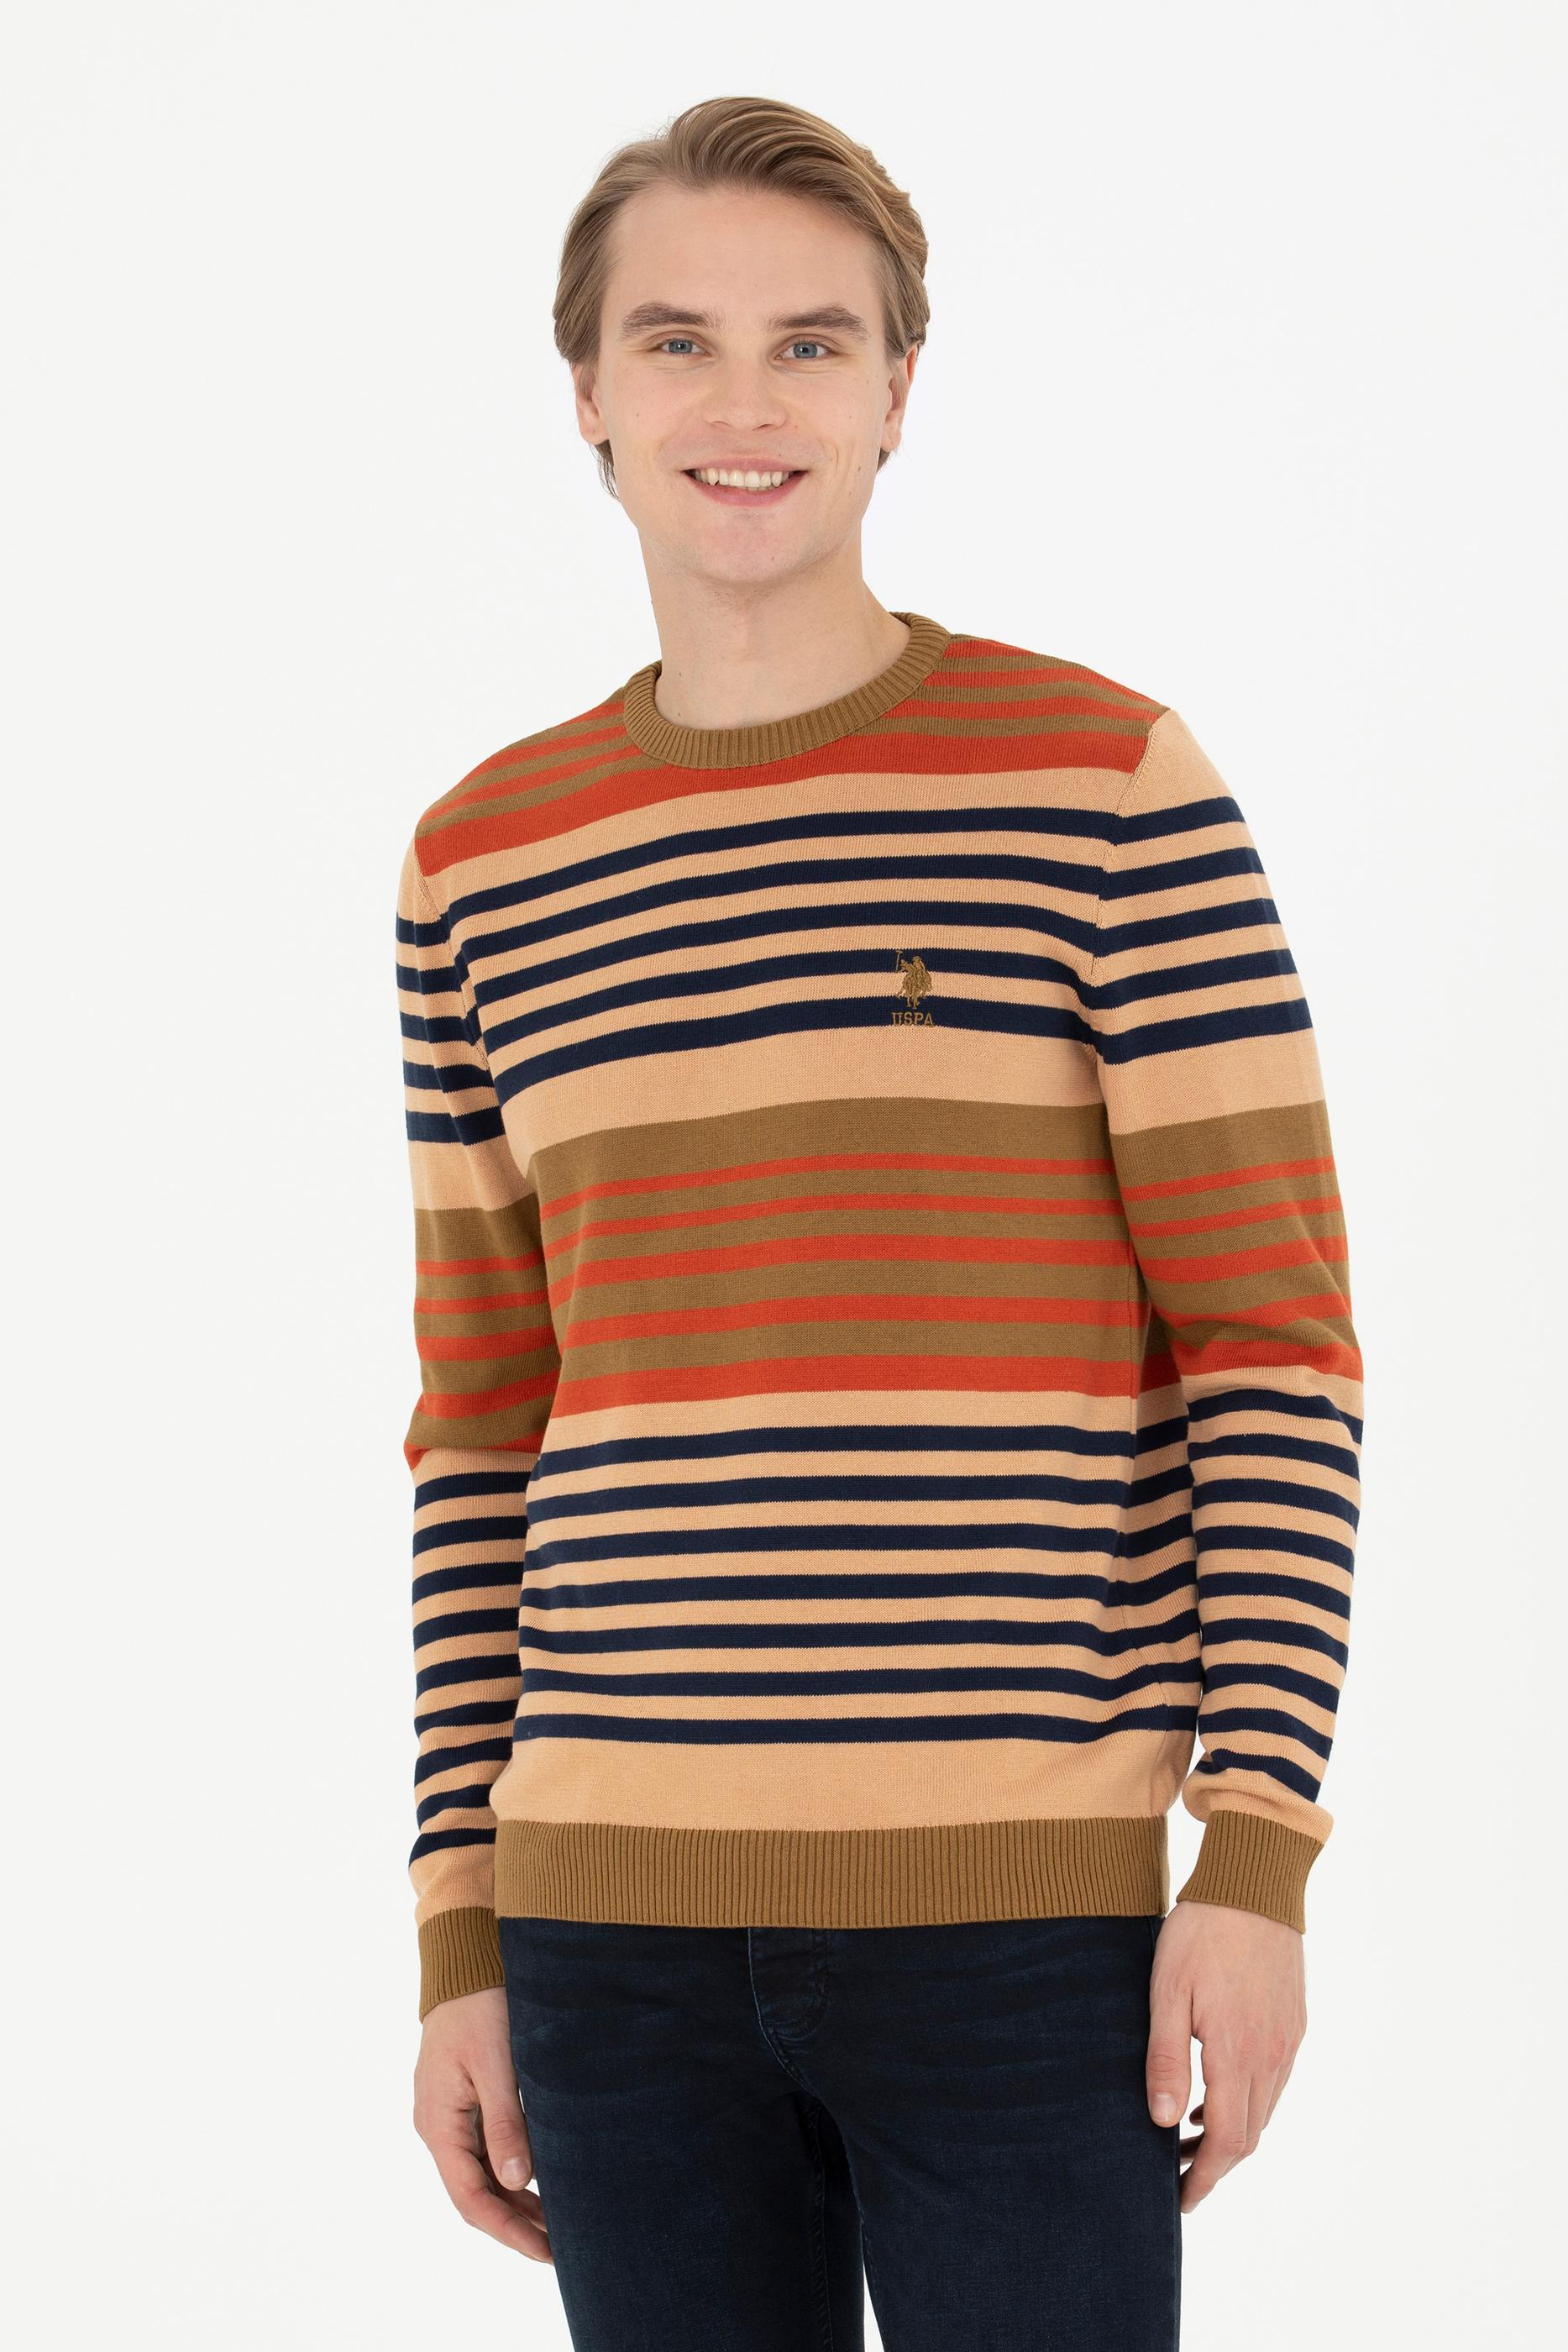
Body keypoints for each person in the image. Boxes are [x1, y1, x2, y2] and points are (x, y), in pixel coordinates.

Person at [396, 93, 1362, 2352]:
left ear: (898, 390)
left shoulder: (1104, 786)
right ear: (587, 393)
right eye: (678, 341)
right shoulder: (480, 862)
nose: (742, 404)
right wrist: (459, 1931)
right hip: (605, 1942)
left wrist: (1255, 1856)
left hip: (1024, 1938)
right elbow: (481, 1428)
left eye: (810, 344)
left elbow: (1272, 1349)